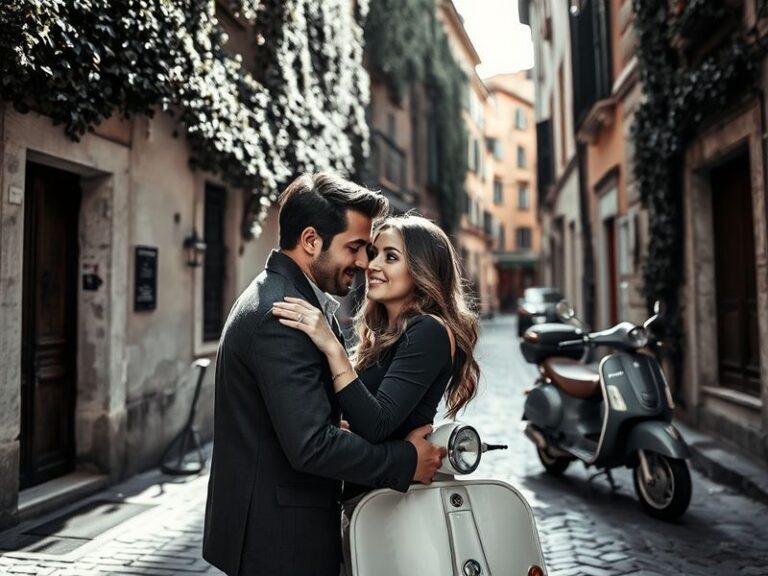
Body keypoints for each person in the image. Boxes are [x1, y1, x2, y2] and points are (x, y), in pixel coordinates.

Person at [202, 174, 446, 576]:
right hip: (280, 541)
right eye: (355, 247)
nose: (364, 263)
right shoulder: (283, 315)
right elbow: (312, 445)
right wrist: (405, 461)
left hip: (282, 532)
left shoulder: (296, 302)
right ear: (312, 241)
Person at [271, 213, 480, 572]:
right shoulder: (388, 335)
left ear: (422, 268)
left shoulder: (428, 331)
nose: (371, 265)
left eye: (390, 256)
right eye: (373, 253)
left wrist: (332, 347)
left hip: (395, 511)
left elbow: (376, 423)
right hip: (369, 506)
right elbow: (362, 415)